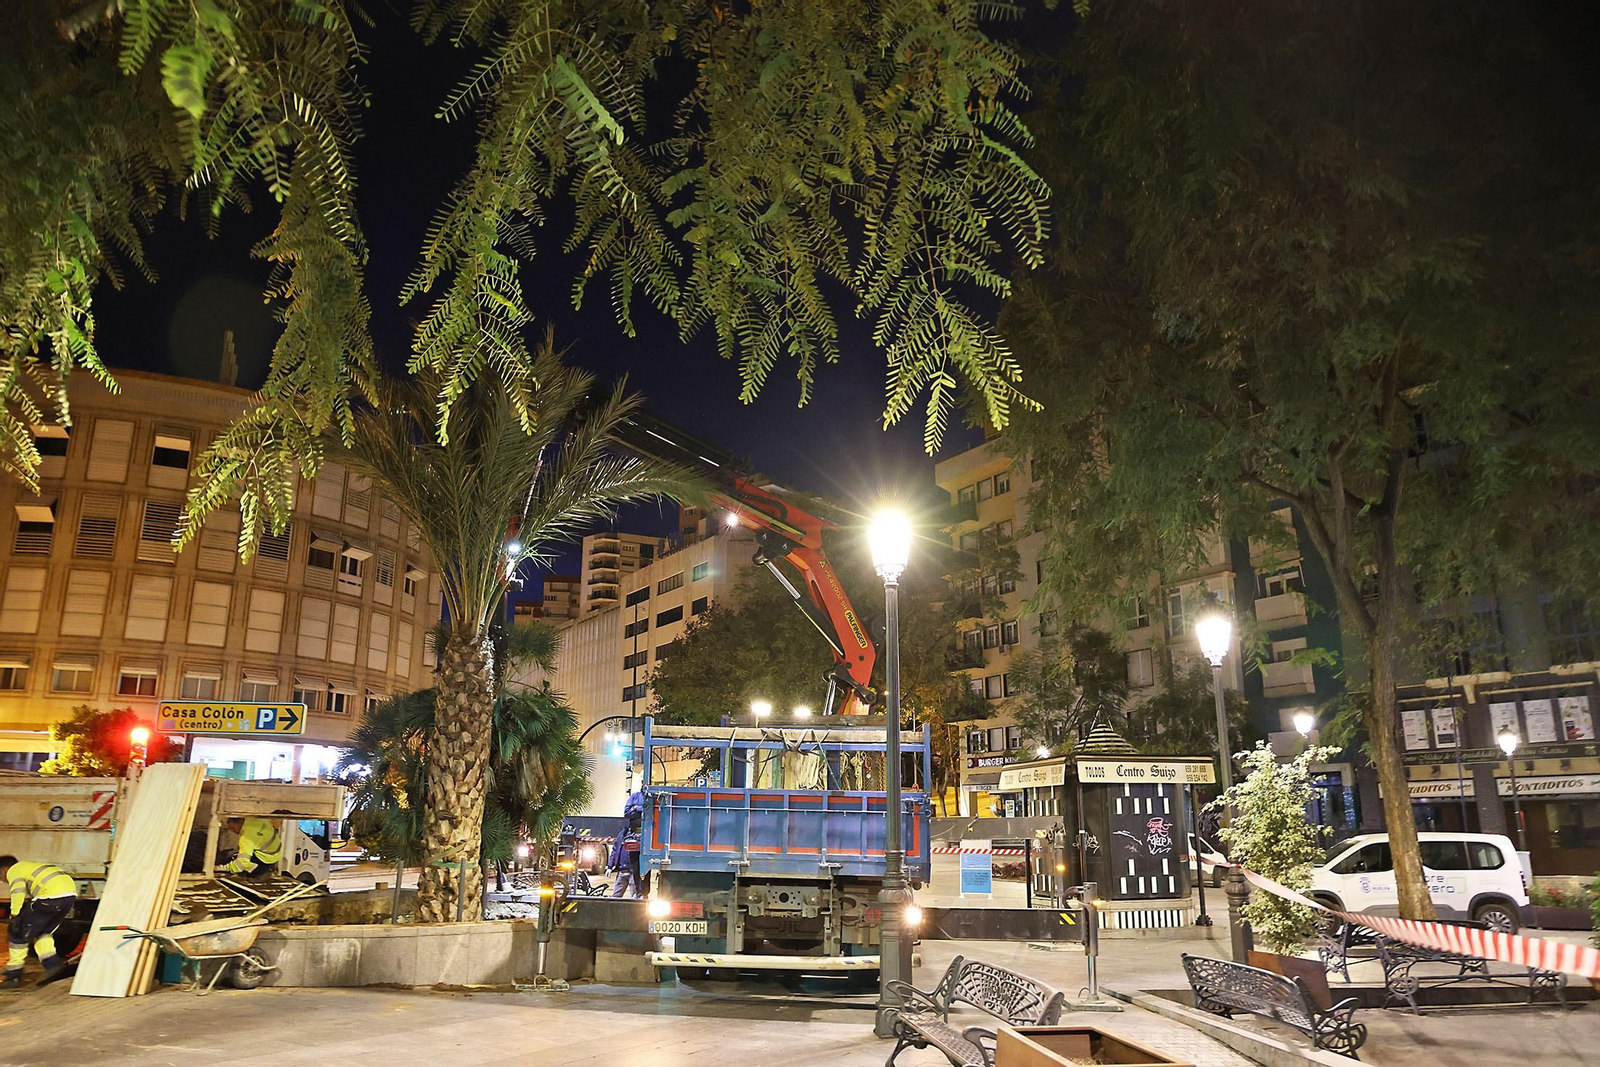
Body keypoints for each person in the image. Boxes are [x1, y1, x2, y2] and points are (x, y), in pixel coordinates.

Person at [1, 855, 77, 989]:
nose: (2, 880)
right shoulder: (29, 866)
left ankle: (13, 976)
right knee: (42, 932)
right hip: (69, 897)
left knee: (18, 934)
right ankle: (53, 966)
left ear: (4, 869)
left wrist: (15, 914)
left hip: (50, 896)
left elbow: (18, 891)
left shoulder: (14, 870)